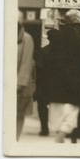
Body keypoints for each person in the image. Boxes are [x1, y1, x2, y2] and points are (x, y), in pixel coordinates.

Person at [44, 8, 80, 143]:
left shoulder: (56, 39)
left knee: (57, 117)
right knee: (70, 116)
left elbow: (50, 62)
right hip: (73, 86)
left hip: (57, 84)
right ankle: (60, 139)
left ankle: (59, 138)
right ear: (77, 25)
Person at [33, 28, 59, 136]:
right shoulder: (64, 52)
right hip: (59, 84)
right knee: (60, 106)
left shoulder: (42, 51)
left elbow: (38, 70)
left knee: (42, 105)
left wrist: (37, 87)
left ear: (48, 38)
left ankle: (44, 129)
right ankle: (60, 128)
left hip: (45, 84)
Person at [17, 11, 34, 139]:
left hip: (19, 87)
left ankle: (15, 139)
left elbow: (26, 64)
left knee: (18, 114)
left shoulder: (26, 39)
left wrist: (18, 85)